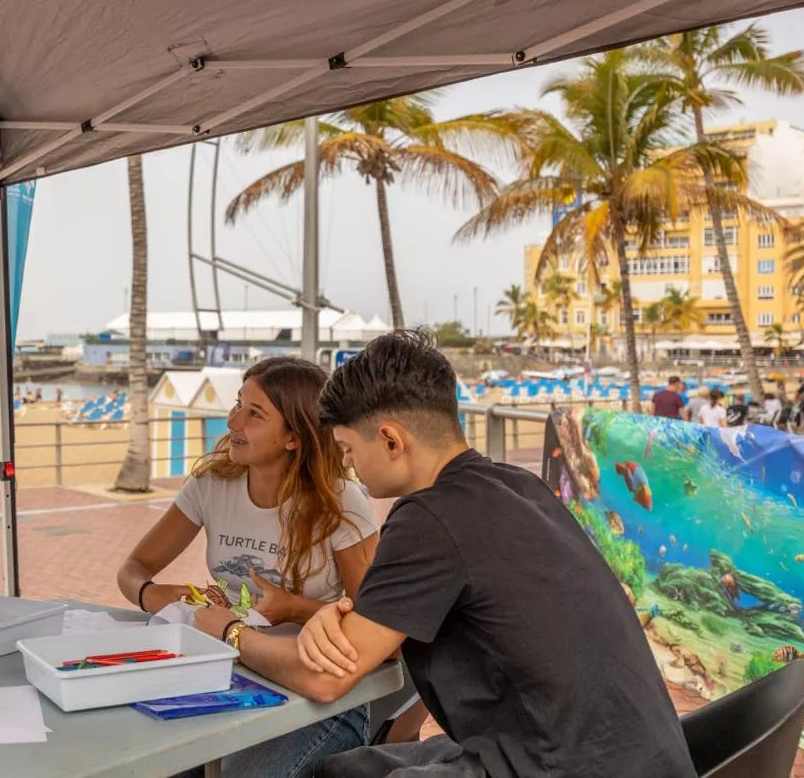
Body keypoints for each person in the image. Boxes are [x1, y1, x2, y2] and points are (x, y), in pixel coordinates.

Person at [191, 331, 695, 778]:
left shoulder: (430, 518)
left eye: (346, 449)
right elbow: (376, 633)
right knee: (347, 769)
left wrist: (226, 630)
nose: (347, 465)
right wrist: (331, 617)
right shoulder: (516, 485)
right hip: (633, 754)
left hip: (558, 765)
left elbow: (325, 678)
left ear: (390, 440)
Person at [120, 358, 380, 778]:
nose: (232, 421)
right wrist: (151, 593)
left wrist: (294, 608)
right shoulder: (210, 485)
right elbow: (133, 568)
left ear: (294, 437)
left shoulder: (341, 502)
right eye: (238, 405)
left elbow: (378, 626)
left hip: (315, 697)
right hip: (222, 675)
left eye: (254, 414)